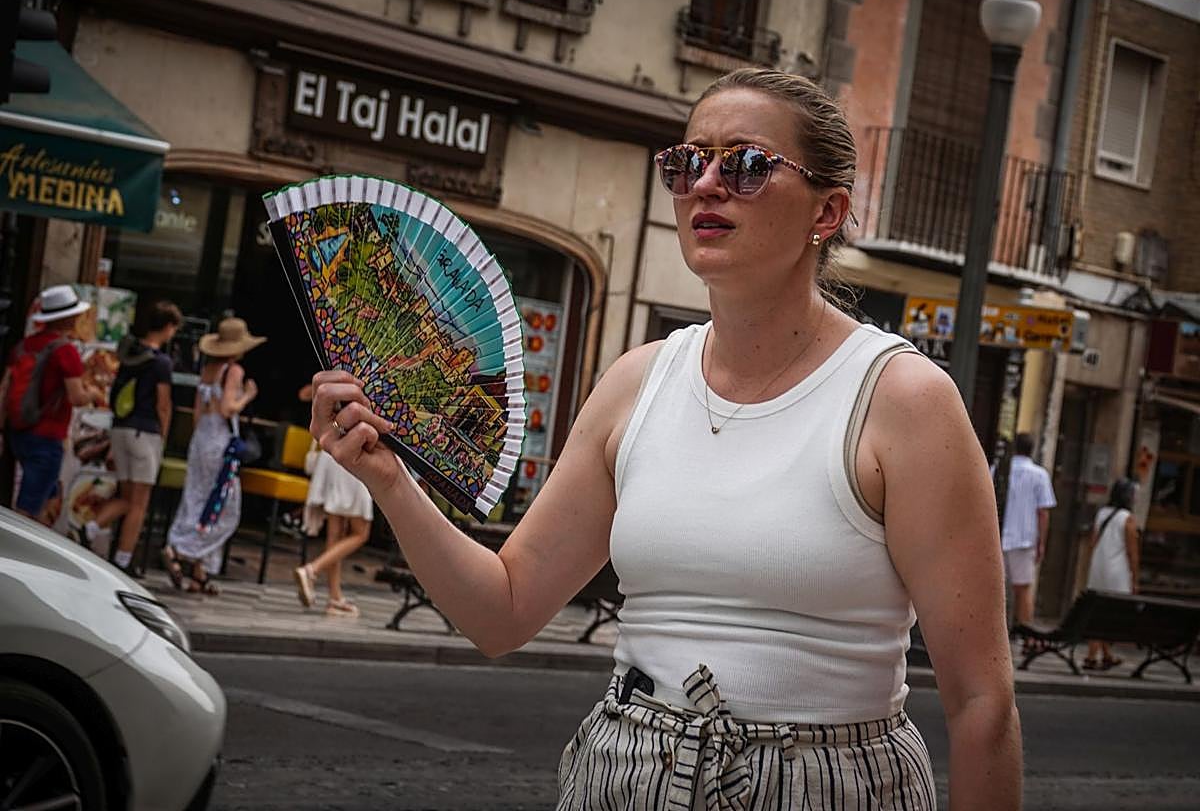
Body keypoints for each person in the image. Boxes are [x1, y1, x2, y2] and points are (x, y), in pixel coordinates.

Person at [309, 68, 1020, 809]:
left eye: (746, 165)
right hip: (627, 771)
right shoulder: (637, 382)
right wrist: (389, 480)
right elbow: (503, 611)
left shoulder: (902, 399)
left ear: (828, 210)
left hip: (824, 782)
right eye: (686, 163)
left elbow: (981, 704)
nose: (705, 184)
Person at [163, 317, 263, 594]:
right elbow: (228, 408)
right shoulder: (234, 371)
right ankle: (180, 550)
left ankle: (199, 570)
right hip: (219, 441)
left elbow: (198, 412)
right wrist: (248, 396)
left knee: (196, 498)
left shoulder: (208, 369)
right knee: (226, 508)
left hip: (201, 439)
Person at [84, 300, 182, 572]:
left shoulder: (128, 354)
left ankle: (90, 527)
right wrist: (163, 435)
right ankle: (123, 560)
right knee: (140, 502)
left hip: (121, 428)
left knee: (127, 496)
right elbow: (163, 404)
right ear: (168, 327)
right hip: (145, 432)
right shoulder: (161, 362)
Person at [0, 285, 104, 522]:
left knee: (47, 497)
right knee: (27, 512)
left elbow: (4, 389)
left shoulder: (23, 346)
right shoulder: (66, 351)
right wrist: (94, 393)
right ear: (70, 318)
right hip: (47, 436)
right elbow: (76, 396)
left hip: (18, 432)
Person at [292, 445, 374, 617]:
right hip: (353, 457)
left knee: (336, 534)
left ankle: (335, 598)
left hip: (332, 455)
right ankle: (311, 570)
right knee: (361, 533)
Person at [1000, 432, 1056, 637]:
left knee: (996, 590)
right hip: (1024, 539)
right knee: (1023, 590)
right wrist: (1042, 542)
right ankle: (1026, 635)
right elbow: (1043, 512)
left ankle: (999, 633)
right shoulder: (1040, 475)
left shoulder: (1000, 469)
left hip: (999, 538)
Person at [1084, 478, 1140, 671]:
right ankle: (1097, 655)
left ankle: (1098, 655)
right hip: (1117, 571)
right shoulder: (1128, 518)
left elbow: (1092, 542)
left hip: (1098, 568)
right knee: (1110, 616)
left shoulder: (1102, 513)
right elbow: (1132, 552)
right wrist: (1134, 578)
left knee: (1096, 613)